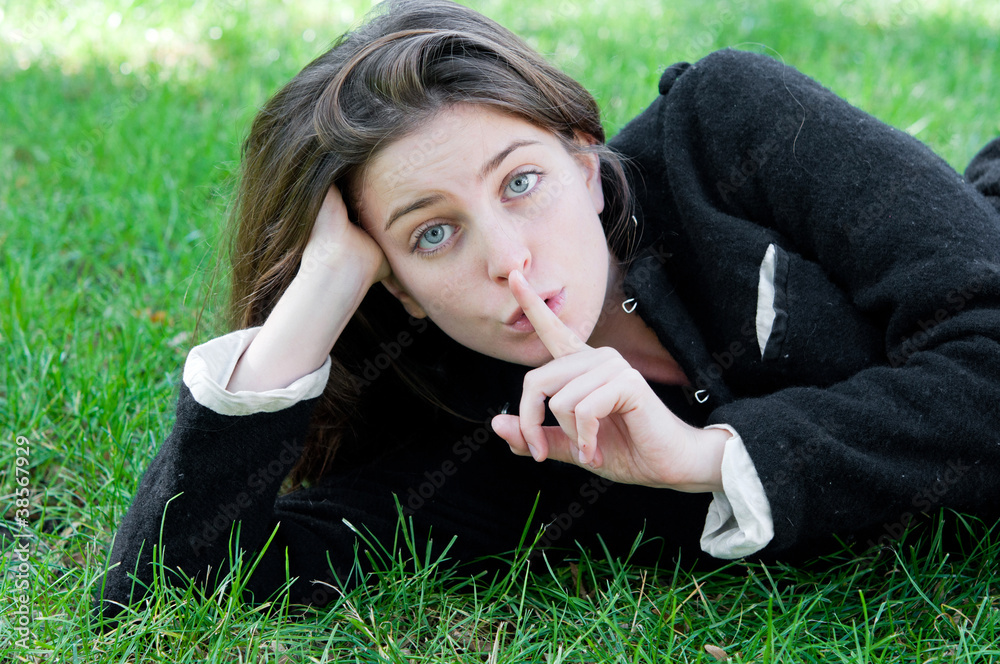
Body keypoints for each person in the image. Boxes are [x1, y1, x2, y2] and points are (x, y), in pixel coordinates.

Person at [96, 0, 1000, 620]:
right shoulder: (488, 440)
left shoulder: (727, 126)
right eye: (433, 235)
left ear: (584, 161)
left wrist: (711, 458)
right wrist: (322, 286)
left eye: (520, 182)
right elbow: (172, 585)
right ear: (396, 286)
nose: (506, 258)